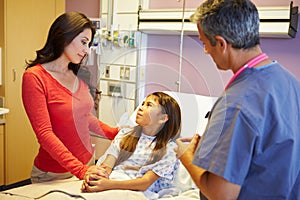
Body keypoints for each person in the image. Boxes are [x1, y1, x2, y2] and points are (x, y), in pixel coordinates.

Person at [175, 0, 300, 199]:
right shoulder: (289, 82)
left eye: (204, 43)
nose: (206, 51)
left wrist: (187, 156)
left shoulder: (235, 103)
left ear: (222, 44)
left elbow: (221, 195)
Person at [22, 12, 119, 183]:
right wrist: (81, 170)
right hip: (54, 174)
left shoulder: (78, 75)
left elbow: (83, 117)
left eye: (88, 44)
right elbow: (45, 134)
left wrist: (115, 133)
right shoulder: (35, 77)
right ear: (64, 36)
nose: (86, 51)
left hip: (87, 165)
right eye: (83, 42)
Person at [81, 92, 181, 198]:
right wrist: (96, 178)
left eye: (149, 105)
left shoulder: (170, 150)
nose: (141, 108)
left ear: (163, 118)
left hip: (137, 192)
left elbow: (144, 183)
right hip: (112, 182)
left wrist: (108, 185)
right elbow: (108, 164)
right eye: (143, 103)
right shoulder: (126, 134)